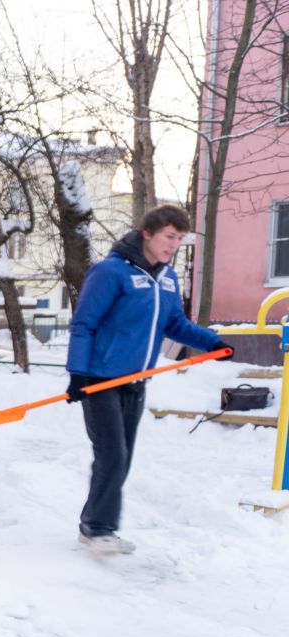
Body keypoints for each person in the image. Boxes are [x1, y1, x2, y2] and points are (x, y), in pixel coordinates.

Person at [66, 205, 231, 555]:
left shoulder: (167, 278)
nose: (174, 245)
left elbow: (175, 324)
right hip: (100, 380)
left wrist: (212, 342)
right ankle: (99, 528)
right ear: (148, 233)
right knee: (111, 453)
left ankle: (91, 525)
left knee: (121, 457)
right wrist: (77, 372)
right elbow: (84, 323)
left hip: (137, 381)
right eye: (169, 237)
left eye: (179, 239)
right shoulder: (111, 272)